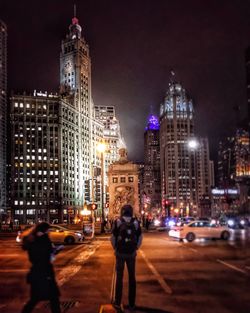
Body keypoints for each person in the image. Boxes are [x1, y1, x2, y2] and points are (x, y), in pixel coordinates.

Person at [21, 222, 62, 313]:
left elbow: (37, 255)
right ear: (44, 230)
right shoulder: (43, 239)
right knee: (52, 298)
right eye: (48, 230)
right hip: (44, 272)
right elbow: (45, 255)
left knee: (36, 298)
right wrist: (54, 251)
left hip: (37, 272)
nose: (49, 232)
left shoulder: (33, 239)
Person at [110, 205, 142, 312]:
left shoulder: (118, 221)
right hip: (131, 254)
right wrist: (136, 248)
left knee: (119, 277)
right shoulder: (135, 222)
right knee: (132, 278)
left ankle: (118, 302)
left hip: (120, 253)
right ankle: (132, 303)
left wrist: (115, 248)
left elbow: (113, 237)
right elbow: (140, 236)